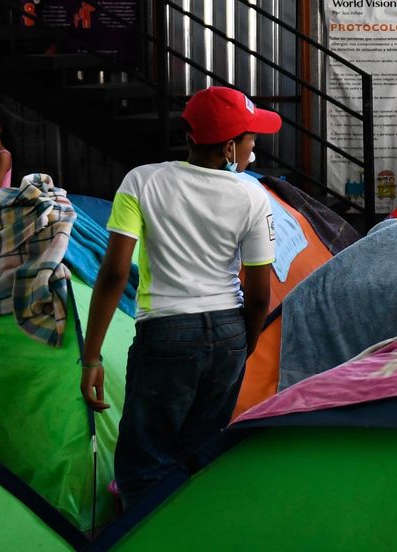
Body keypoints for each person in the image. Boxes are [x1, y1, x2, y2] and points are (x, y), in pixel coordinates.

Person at [81, 86, 279, 508]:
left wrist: (92, 356)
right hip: (228, 329)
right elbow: (259, 294)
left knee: (146, 465)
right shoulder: (252, 195)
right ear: (229, 147)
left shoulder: (142, 180)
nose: (253, 148)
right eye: (250, 139)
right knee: (201, 458)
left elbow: (115, 271)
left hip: (166, 333)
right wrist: (243, 346)